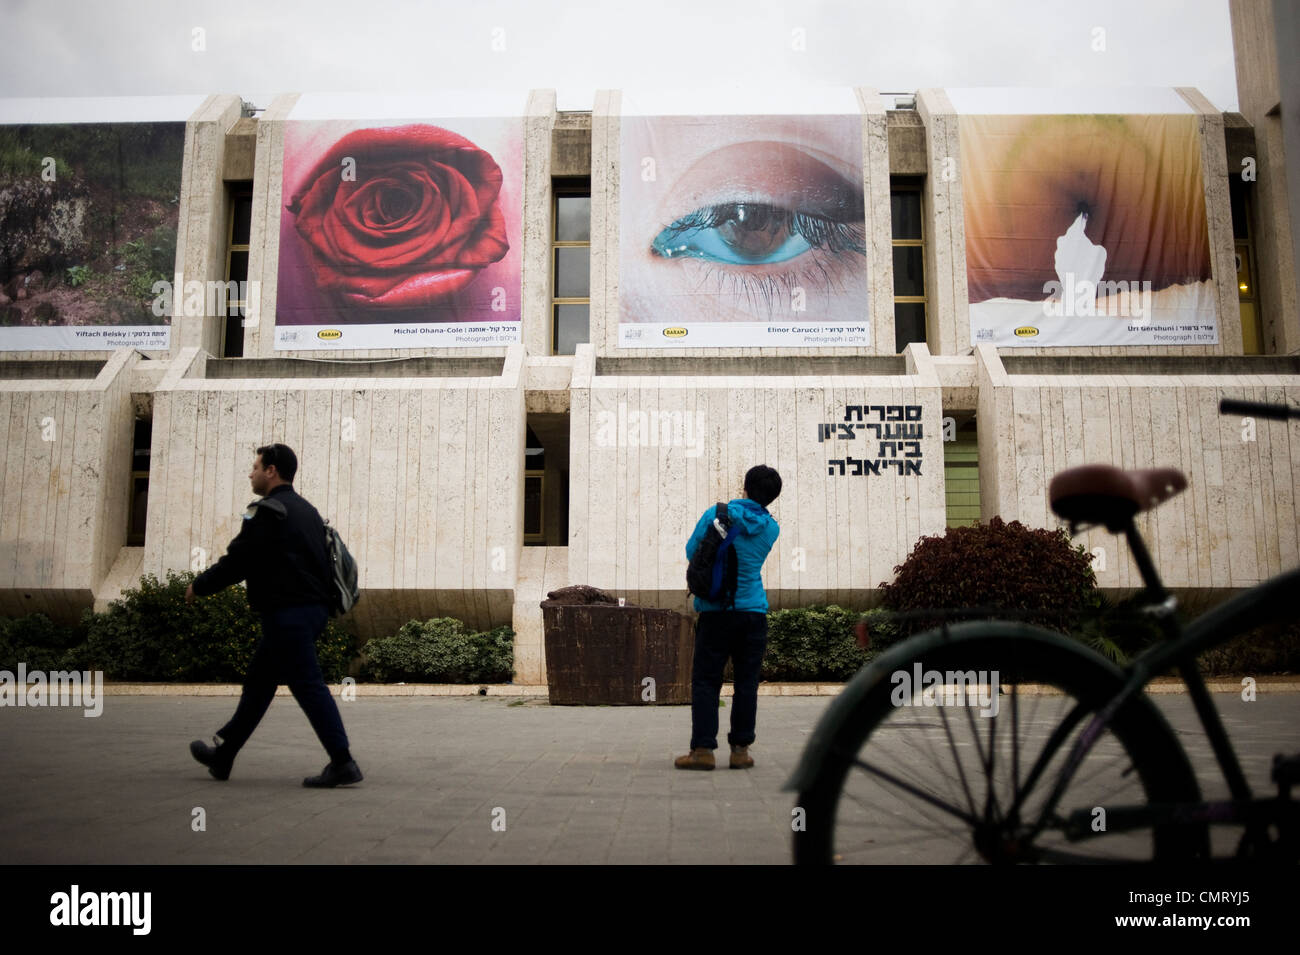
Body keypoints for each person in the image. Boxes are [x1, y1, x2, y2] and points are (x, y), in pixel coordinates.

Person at [186, 443, 362, 788]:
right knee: (259, 683)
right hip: (310, 613)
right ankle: (224, 755)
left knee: (307, 685)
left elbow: (239, 560)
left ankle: (343, 761)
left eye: (255, 467)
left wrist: (200, 586)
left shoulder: (268, 511)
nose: (250, 473)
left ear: (271, 471)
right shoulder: (308, 512)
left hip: (289, 615)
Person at [676, 465, 781, 771]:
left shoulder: (717, 514)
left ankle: (703, 750)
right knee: (747, 683)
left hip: (716, 612)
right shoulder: (771, 528)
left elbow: (692, 550)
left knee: (707, 681)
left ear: (744, 486)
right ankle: (740, 751)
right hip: (753, 614)